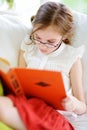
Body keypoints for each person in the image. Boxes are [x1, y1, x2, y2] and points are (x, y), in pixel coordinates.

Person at [0, 1, 86, 130]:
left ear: (64, 36)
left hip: (56, 115)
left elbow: (82, 106)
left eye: (51, 42)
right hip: (29, 103)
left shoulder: (72, 58)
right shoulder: (28, 47)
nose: (42, 46)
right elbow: (19, 82)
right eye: (38, 38)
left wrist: (73, 104)